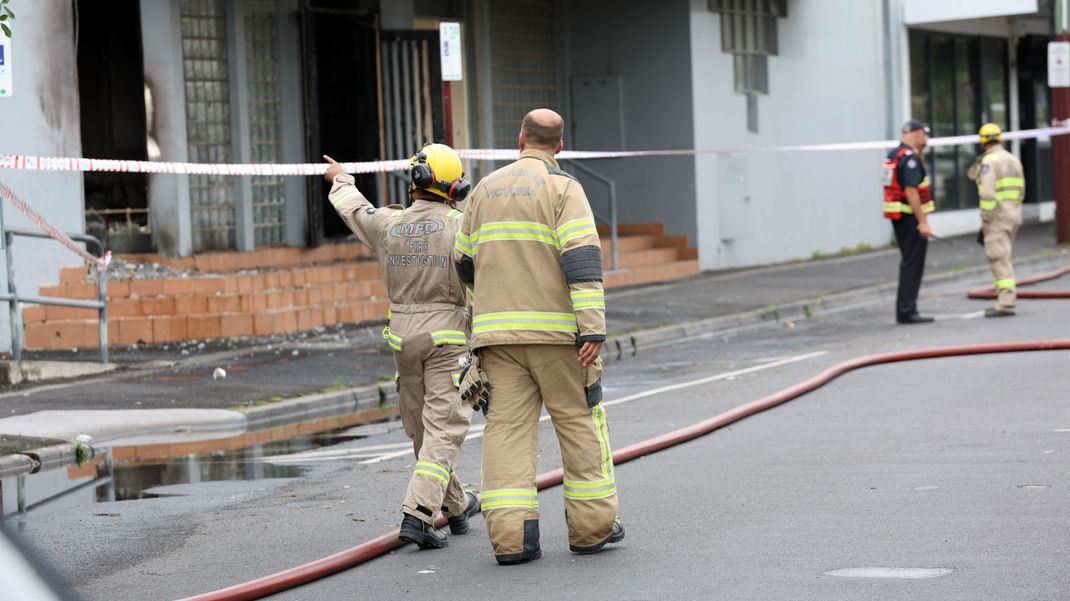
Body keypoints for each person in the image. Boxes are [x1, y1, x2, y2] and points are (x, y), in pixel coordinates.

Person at [452, 108, 623, 566]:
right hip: (559, 339)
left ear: (520, 138)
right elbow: (582, 262)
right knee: (578, 425)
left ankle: (512, 539)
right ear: (560, 147)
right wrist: (592, 328)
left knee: (506, 434)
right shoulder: (564, 188)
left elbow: (463, 262)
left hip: (497, 339)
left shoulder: (485, 189)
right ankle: (590, 530)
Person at [323, 144, 479, 549]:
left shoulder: (388, 224)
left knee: (420, 427)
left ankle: (457, 506)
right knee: (444, 429)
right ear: (453, 186)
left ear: (415, 183)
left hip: (402, 338)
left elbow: (354, 210)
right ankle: (418, 514)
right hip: (447, 337)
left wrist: (341, 179)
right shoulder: (462, 226)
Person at [968, 123, 1024, 317]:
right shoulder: (1012, 159)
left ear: (982, 142)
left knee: (998, 258)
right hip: (1012, 214)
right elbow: (1022, 191)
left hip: (997, 217)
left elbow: (987, 194)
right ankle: (1006, 299)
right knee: (1004, 256)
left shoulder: (989, 162)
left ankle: (1006, 302)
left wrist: (986, 218)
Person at [882, 119, 935, 324]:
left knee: (908, 263)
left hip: (899, 217)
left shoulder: (895, 154)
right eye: (924, 134)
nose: (926, 138)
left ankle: (906, 309)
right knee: (912, 265)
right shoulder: (910, 159)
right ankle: (907, 311)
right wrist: (922, 222)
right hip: (910, 219)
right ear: (916, 133)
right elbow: (911, 190)